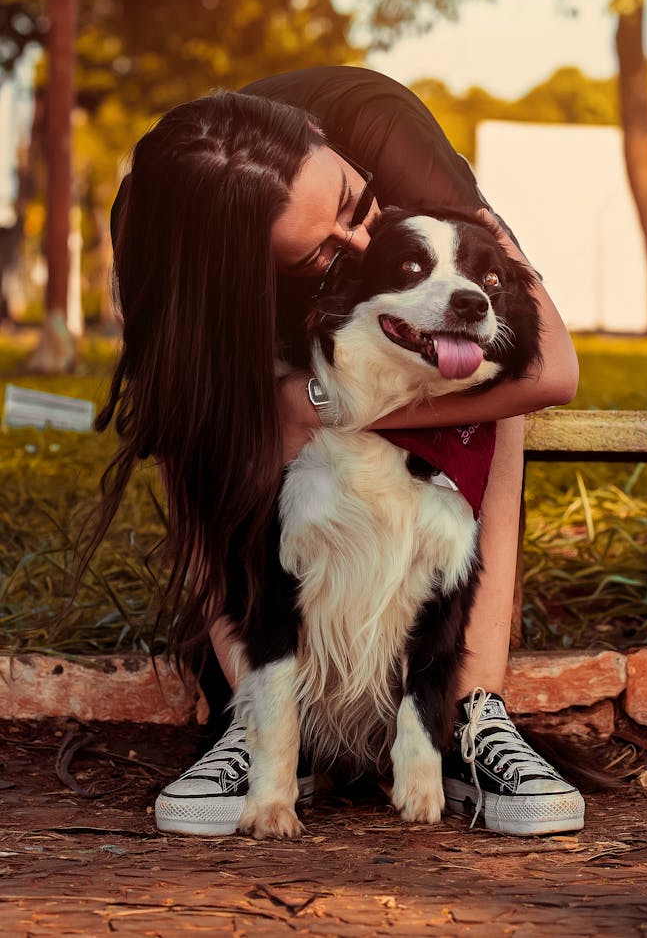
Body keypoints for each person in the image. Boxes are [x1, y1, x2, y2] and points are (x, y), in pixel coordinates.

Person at [95, 66, 582, 838]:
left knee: (490, 370)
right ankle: (250, 718)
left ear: (327, 143)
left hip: (398, 350)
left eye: (354, 203)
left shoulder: (383, 128)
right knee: (214, 415)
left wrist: (320, 405)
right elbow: (190, 455)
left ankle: (479, 714)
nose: (359, 243)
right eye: (318, 251)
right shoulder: (165, 236)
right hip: (284, 365)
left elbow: (553, 369)